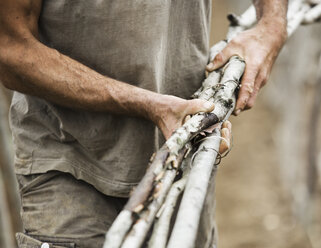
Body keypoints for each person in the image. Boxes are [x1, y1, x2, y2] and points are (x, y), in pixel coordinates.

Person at [0, 0, 287, 247]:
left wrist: (272, 25)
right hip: (71, 162)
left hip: (185, 155)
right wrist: (148, 104)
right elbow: (10, 51)